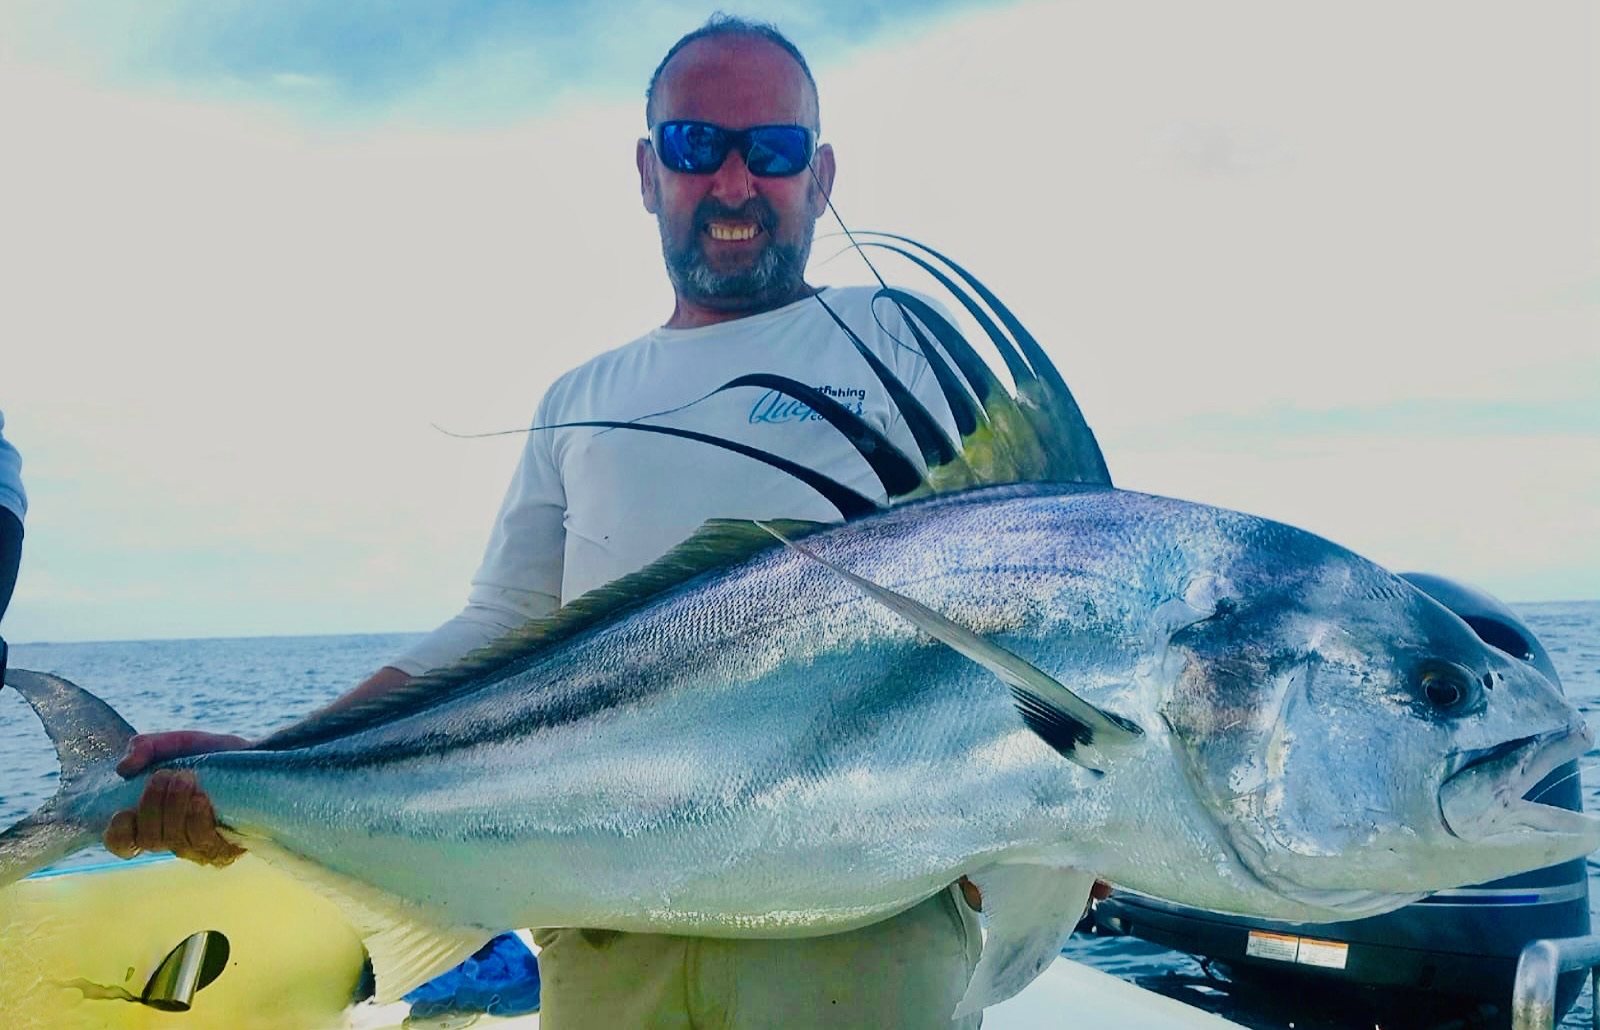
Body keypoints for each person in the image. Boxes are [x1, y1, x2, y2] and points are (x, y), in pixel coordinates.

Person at [105, 16, 992, 1028]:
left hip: (855, 943)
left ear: (821, 174)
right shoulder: (580, 398)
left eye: (773, 150)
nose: (735, 184)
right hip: (607, 949)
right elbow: (493, 631)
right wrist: (268, 761)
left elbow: (1034, 583)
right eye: (697, 146)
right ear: (649, 171)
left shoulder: (900, 343)